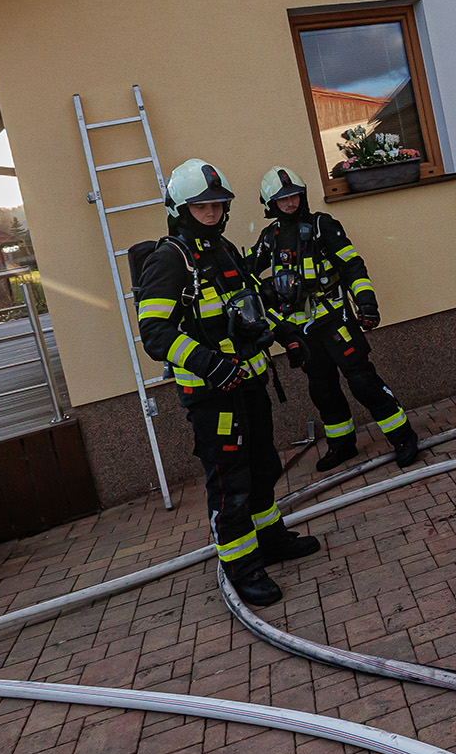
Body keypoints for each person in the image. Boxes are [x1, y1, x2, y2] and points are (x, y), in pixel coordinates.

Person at [135, 159, 319, 607]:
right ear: (181, 210)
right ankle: (242, 568)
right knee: (230, 483)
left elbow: (253, 303)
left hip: (249, 385)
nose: (212, 212)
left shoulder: (225, 250)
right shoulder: (169, 260)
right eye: (202, 207)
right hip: (212, 397)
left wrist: (287, 335)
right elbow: (155, 333)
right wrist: (210, 365)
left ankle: (270, 541)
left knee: (263, 468)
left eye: (217, 205)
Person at [250, 166, 419, 472]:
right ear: (270, 204)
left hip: (336, 320)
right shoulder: (269, 237)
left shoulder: (322, 225)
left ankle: (403, 437)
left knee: (362, 381)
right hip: (302, 328)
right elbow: (246, 271)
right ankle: (342, 444)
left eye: (294, 196)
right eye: (282, 199)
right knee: (322, 388)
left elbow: (352, 264)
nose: (290, 203)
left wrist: (366, 302)